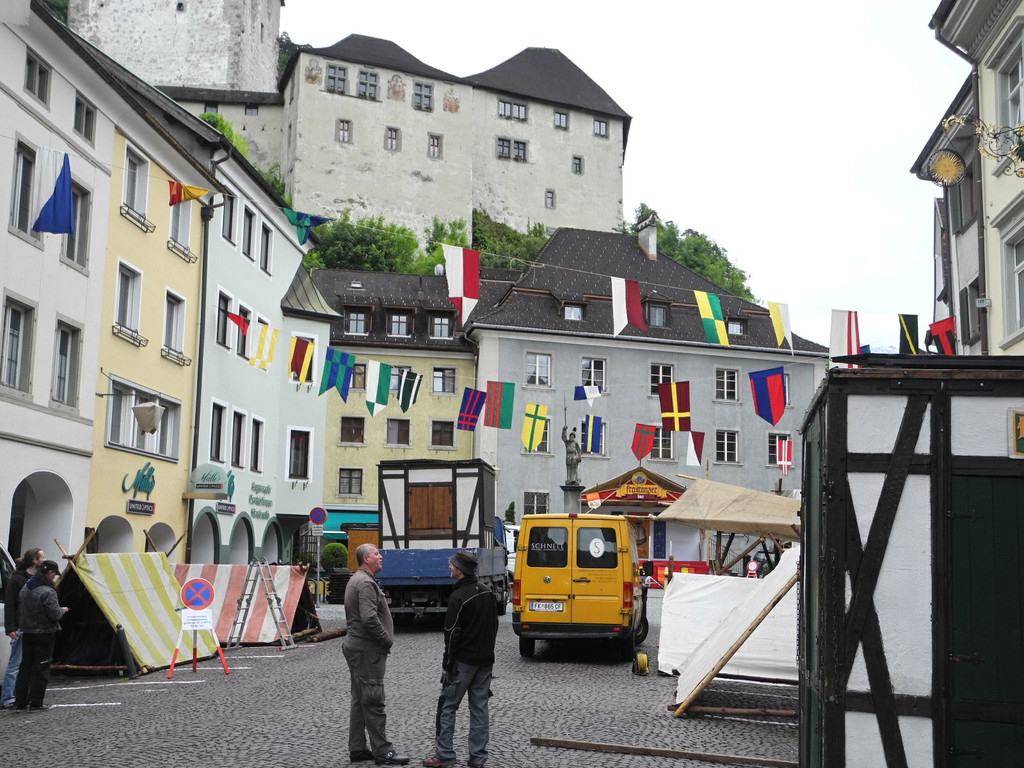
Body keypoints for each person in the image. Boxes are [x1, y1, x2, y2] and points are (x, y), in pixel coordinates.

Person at [423, 550, 498, 768]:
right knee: (479, 709)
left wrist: (448, 665)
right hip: (485, 662)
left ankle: (444, 754)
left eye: (452, 565)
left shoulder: (458, 597)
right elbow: (493, 628)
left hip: (463, 663)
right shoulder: (487, 592)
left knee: (447, 706)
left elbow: (452, 634)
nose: (449, 567)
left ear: (461, 570)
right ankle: (478, 758)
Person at [343, 543, 409, 766]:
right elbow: (369, 618)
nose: (381, 556)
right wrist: (386, 639)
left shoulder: (359, 579)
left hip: (358, 648)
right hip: (367, 650)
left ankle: (357, 748)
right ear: (366, 559)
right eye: (376, 553)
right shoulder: (365, 583)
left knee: (360, 700)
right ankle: (383, 751)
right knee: (373, 700)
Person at [13, 559, 67, 712]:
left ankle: (21, 702)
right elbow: (55, 614)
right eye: (54, 574)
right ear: (49, 573)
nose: (54, 577)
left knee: (25, 667)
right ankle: (36, 702)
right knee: (41, 667)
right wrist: (62, 610)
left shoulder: (26, 588)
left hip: (27, 631)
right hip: (44, 633)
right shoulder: (47, 592)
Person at [2, 547, 45, 709]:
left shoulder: (36, 578)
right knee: (15, 664)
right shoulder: (17, 580)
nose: (44, 560)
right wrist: (11, 627)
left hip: (32, 626)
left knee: (26, 664)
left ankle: (20, 695)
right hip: (21, 626)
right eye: (42, 557)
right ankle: (7, 697)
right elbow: (10, 604)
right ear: (35, 560)